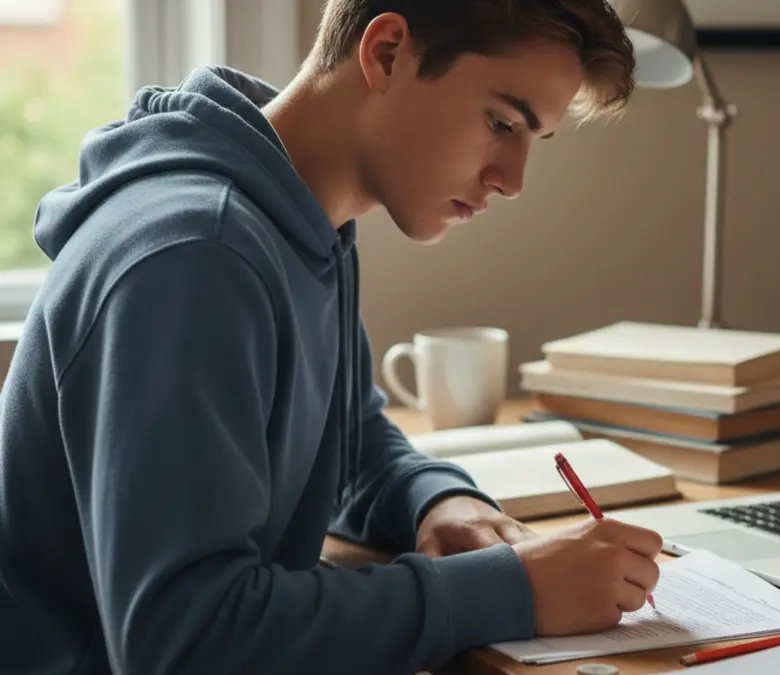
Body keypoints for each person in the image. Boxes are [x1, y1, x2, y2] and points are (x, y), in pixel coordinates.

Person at [0, 1, 665, 674]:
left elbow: (345, 438)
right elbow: (185, 639)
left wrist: (437, 498)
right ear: (385, 53)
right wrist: (508, 589)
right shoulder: (200, 255)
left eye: (532, 138)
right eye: (500, 122)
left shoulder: (302, 218)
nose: (512, 180)